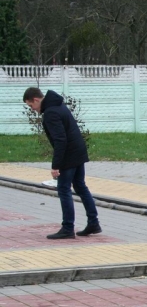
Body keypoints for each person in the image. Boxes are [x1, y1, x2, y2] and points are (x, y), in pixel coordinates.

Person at [23, 87, 101, 239]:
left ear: (36, 100)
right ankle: (93, 222)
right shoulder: (59, 105)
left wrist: (56, 165)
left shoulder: (51, 113)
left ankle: (67, 228)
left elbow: (60, 140)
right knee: (80, 186)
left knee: (64, 189)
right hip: (78, 151)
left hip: (69, 155)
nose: (32, 109)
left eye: (31, 106)